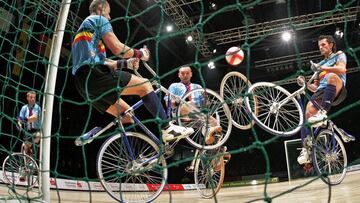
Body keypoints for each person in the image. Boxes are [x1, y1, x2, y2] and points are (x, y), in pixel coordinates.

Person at [71, 0, 193, 142]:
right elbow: (117, 48)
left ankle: (132, 161)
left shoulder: (85, 33)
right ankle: (167, 128)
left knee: (126, 114)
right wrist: (140, 54)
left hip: (83, 85)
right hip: (94, 74)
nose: (109, 17)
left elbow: (104, 62)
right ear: (100, 8)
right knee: (145, 85)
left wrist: (127, 63)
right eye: (108, 13)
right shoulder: (98, 19)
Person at [297, 35, 355, 165]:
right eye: (319, 46)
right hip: (322, 91)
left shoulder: (339, 55)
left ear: (331, 45)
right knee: (307, 113)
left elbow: (342, 69)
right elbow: (316, 87)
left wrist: (322, 68)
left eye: (323, 45)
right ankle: (306, 149)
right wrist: (305, 84)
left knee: (331, 76)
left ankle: (322, 113)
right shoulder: (320, 64)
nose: (321, 48)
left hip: (337, 87)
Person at [165, 66, 230, 171]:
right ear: (179, 75)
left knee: (215, 123)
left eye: (187, 73)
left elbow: (204, 105)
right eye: (182, 73)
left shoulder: (197, 86)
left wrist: (206, 100)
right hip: (180, 113)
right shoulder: (174, 86)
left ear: (191, 74)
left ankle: (215, 154)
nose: (185, 75)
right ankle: (211, 137)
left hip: (197, 115)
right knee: (191, 104)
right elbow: (168, 101)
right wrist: (176, 102)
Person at [17, 90, 41, 181]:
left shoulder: (37, 107)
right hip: (27, 132)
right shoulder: (24, 108)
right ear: (27, 98)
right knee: (24, 148)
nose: (32, 99)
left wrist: (24, 120)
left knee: (32, 146)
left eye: (34, 98)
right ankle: (27, 168)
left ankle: (30, 164)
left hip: (36, 132)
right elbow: (20, 117)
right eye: (31, 97)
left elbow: (34, 117)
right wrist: (19, 123)